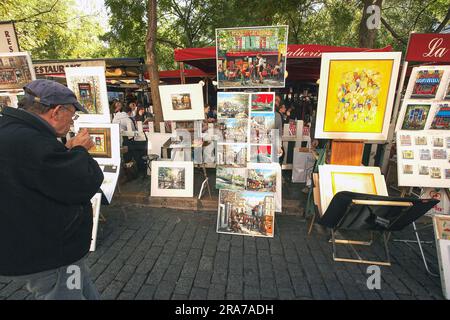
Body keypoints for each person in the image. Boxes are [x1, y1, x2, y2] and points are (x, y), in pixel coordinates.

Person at [0, 79, 104, 300]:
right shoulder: (30, 140)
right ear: (57, 111)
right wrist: (79, 151)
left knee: (83, 288)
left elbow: (38, 172)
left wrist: (65, 151)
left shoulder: (12, 130)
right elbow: (84, 182)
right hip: (49, 254)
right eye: (72, 115)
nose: (72, 121)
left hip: (41, 247)